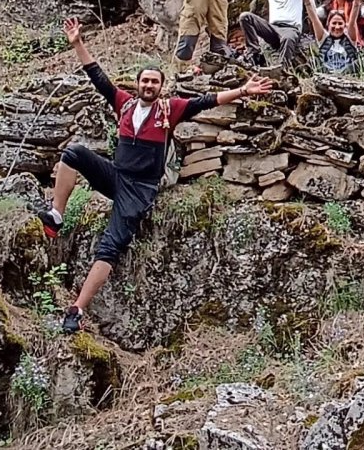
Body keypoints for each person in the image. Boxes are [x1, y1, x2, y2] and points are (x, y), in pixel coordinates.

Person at [34, 17, 273, 335]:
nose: (149, 86)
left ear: (161, 87)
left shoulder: (170, 110)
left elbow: (206, 101)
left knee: (109, 248)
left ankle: (77, 309)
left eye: (154, 82)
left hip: (139, 190)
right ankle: (56, 215)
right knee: (74, 152)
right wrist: (77, 43)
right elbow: (97, 75)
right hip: (116, 176)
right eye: (145, 81)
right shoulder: (124, 105)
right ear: (137, 84)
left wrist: (243, 90)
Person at [298, 0, 363, 74]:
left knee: (356, 63)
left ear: (345, 25)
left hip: (347, 73)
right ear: (328, 24)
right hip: (326, 73)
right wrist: (307, 2)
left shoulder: (350, 37)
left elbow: (352, 21)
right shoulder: (323, 37)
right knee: (313, 60)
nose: (337, 27)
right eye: (334, 23)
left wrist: (356, 3)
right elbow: (314, 19)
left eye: (340, 23)